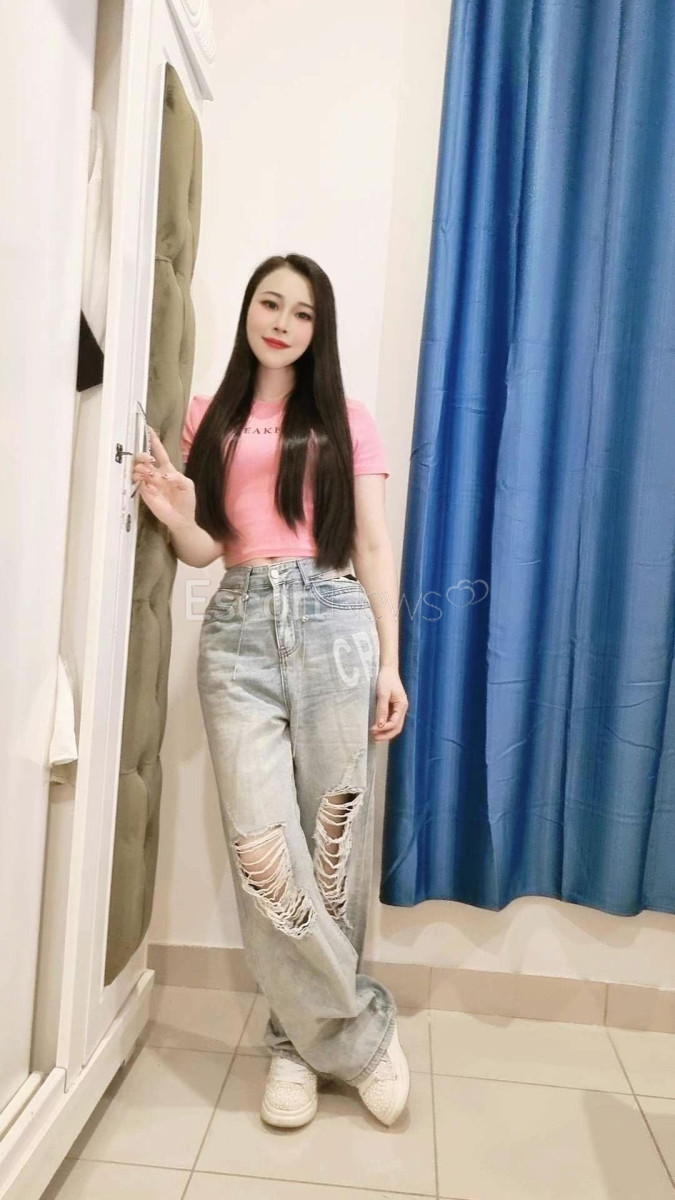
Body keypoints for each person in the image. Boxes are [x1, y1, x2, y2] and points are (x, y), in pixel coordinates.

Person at [132, 253, 410, 1129]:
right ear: (249, 310)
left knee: (331, 853)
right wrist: (175, 511)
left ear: (319, 330)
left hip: (333, 623)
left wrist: (390, 664)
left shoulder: (346, 419)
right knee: (265, 854)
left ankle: (294, 1046)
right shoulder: (208, 416)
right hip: (237, 633)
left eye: (302, 312)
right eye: (269, 303)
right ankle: (357, 1037)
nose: (282, 322)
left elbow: (372, 544)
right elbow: (207, 550)